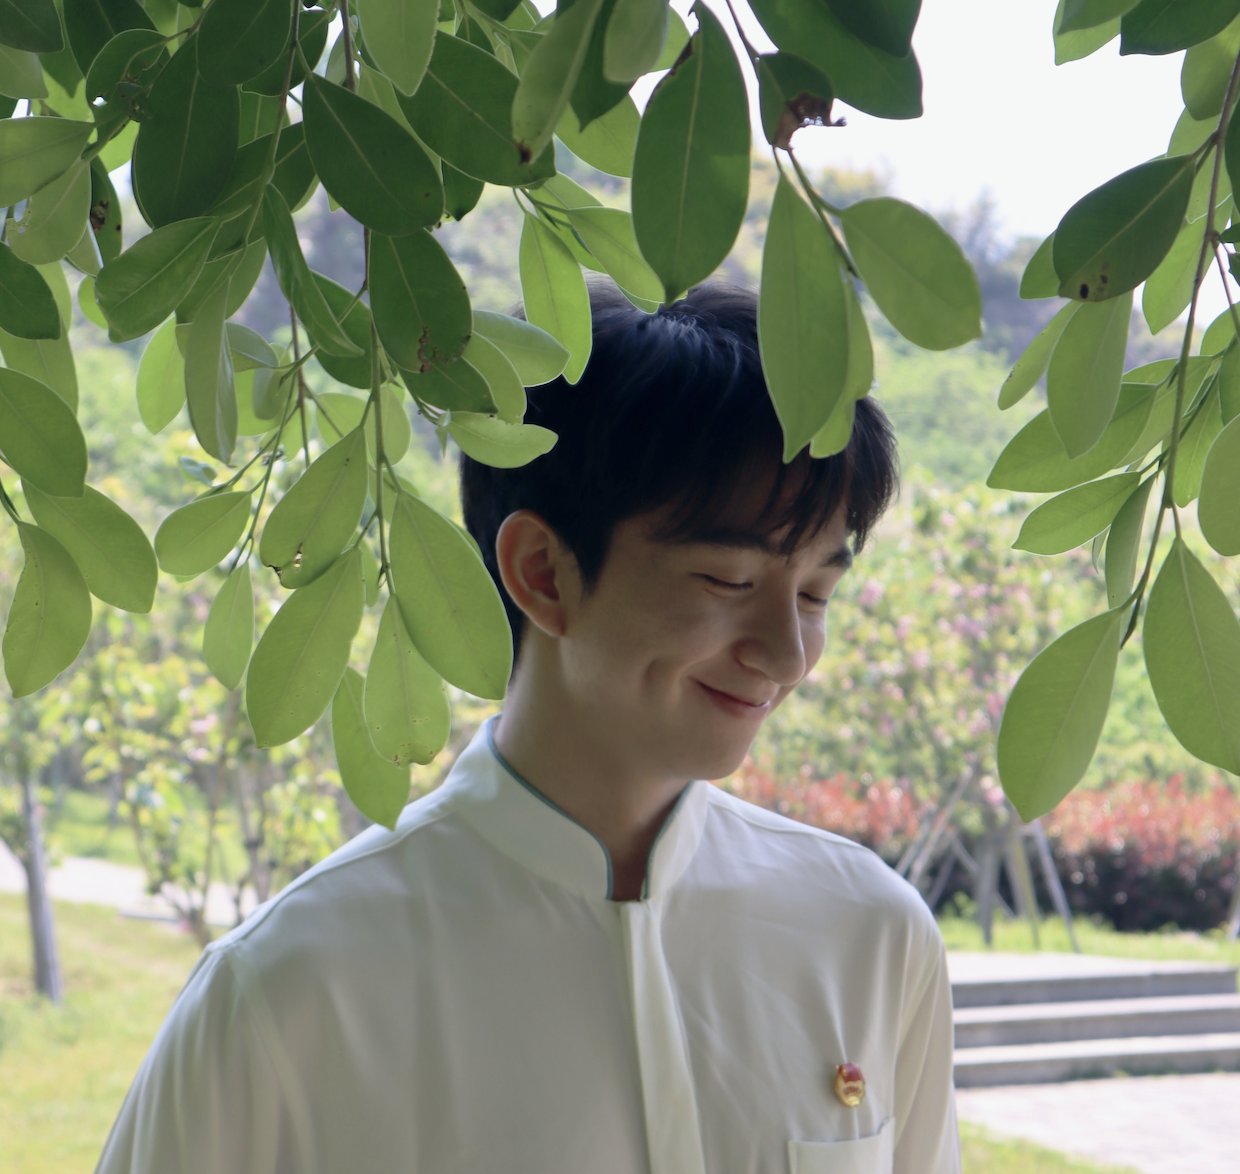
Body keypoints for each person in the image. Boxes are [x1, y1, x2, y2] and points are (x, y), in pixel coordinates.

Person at [96, 282, 959, 1174]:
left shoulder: (871, 936)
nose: (789, 654)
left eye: (816, 592)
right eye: (728, 582)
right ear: (542, 572)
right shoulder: (294, 987)